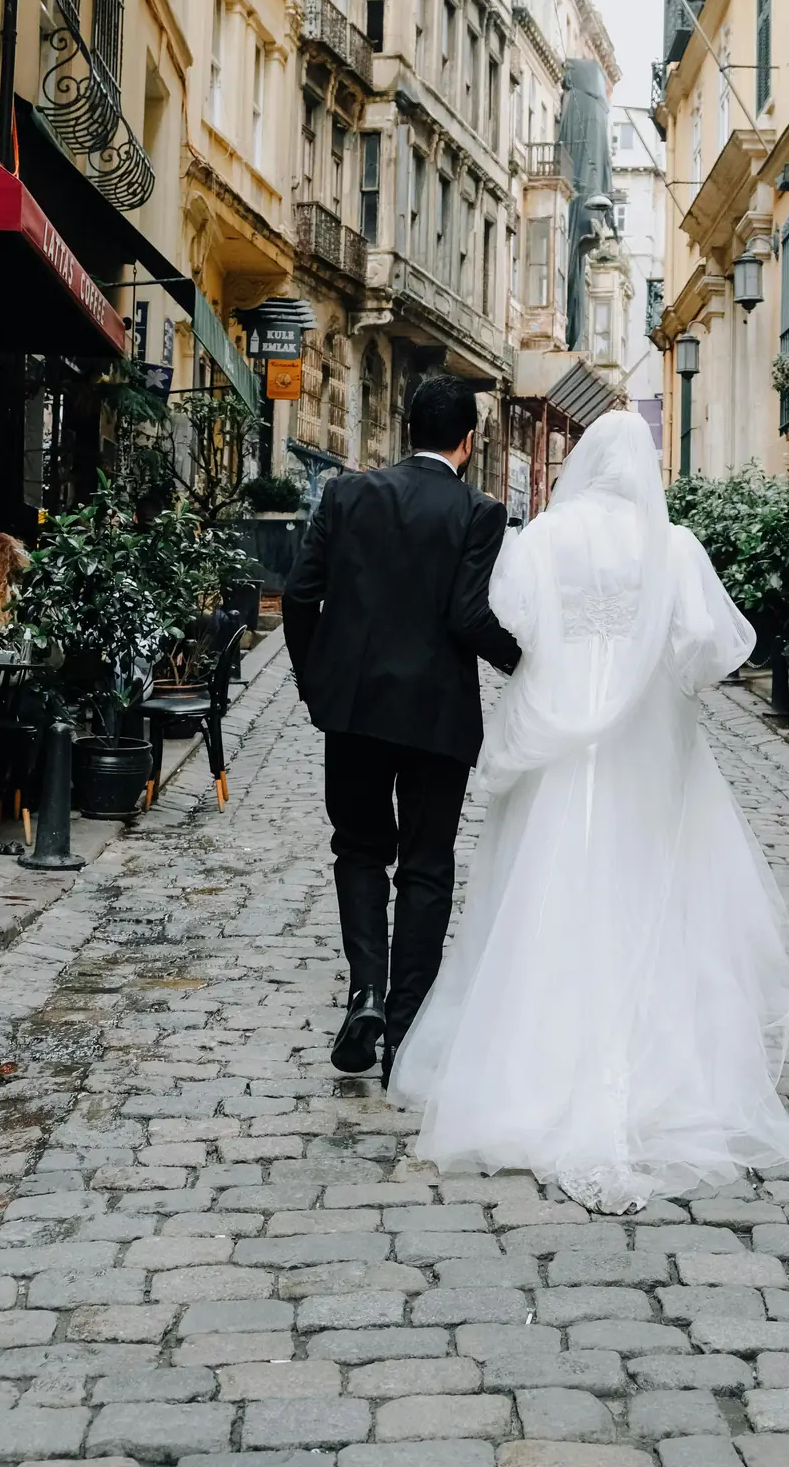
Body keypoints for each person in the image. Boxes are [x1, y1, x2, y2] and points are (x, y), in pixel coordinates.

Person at [390, 410, 789, 1214]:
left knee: (551, 874)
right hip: (645, 738)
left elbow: (509, 620)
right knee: (648, 878)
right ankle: (655, 1052)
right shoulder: (673, 546)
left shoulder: (546, 537)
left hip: (562, 735)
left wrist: (569, 659)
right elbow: (706, 644)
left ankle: (533, 1051)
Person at [282, 373, 520, 1086]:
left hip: (354, 711)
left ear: (406, 428)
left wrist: (315, 683)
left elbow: (299, 595)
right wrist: (526, 662)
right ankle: (407, 1029)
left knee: (358, 850)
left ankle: (366, 993)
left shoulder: (347, 494)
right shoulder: (479, 512)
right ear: (469, 442)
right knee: (426, 863)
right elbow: (468, 618)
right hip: (437, 716)